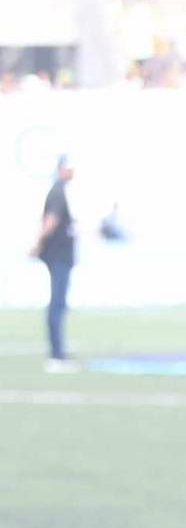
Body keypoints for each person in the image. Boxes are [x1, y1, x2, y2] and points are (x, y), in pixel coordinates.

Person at [30, 155, 80, 373]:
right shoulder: (58, 193)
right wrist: (38, 243)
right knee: (57, 304)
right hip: (58, 257)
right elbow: (50, 221)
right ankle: (56, 354)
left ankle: (58, 351)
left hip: (61, 256)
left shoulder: (59, 192)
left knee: (59, 303)